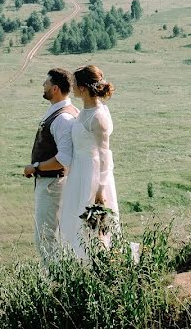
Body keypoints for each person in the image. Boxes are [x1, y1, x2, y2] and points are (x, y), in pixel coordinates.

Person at [59, 64, 120, 258]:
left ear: (83, 89)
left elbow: (105, 156)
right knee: (74, 222)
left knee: (93, 227)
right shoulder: (84, 111)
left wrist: (101, 190)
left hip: (92, 177)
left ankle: (97, 265)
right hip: (78, 172)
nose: (72, 87)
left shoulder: (98, 117)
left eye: (75, 84)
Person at [23, 68, 78, 263]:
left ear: (55, 88)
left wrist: (36, 167)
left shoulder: (63, 118)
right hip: (50, 184)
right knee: (50, 236)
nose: (43, 86)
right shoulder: (62, 112)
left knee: (46, 237)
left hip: (52, 185)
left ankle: (54, 282)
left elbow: (64, 158)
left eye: (46, 83)